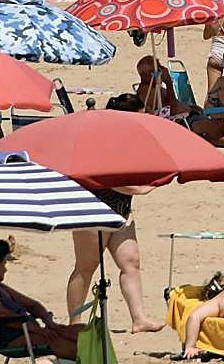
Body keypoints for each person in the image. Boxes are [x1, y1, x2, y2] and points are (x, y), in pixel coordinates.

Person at [66, 99, 163, 333]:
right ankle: (74, 323)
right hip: (92, 211)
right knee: (86, 266)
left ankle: (139, 319)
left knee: (131, 263)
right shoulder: (101, 141)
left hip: (121, 210)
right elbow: (100, 177)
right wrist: (139, 188)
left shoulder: (132, 142)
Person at [0, 239, 85, 359]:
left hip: (27, 328)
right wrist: (40, 330)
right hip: (8, 336)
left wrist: (49, 322)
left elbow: (33, 305)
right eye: (4, 263)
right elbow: (9, 317)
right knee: (57, 340)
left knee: (82, 331)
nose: (5, 269)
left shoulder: (0, 287)